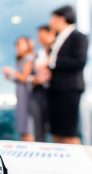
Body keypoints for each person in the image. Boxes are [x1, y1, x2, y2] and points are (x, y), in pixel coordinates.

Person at [47, 5, 89, 144]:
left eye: (52, 18)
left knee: (68, 132)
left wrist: (53, 61)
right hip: (56, 89)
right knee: (56, 131)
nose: (50, 22)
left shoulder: (78, 36)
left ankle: (75, 165)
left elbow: (79, 61)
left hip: (69, 89)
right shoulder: (58, 38)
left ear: (61, 18)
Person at [3, 37, 35, 142]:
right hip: (21, 96)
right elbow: (18, 79)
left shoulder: (29, 58)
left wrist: (11, 71)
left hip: (28, 96)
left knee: (28, 128)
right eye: (16, 44)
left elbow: (24, 77)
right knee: (22, 128)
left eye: (20, 44)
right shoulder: (20, 60)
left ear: (27, 45)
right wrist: (9, 76)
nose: (17, 47)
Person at [29, 25, 56, 142]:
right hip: (38, 94)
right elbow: (30, 75)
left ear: (51, 35)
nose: (39, 38)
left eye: (41, 35)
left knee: (56, 128)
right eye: (38, 36)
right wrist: (34, 80)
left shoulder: (56, 52)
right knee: (39, 130)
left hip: (54, 93)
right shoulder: (37, 54)